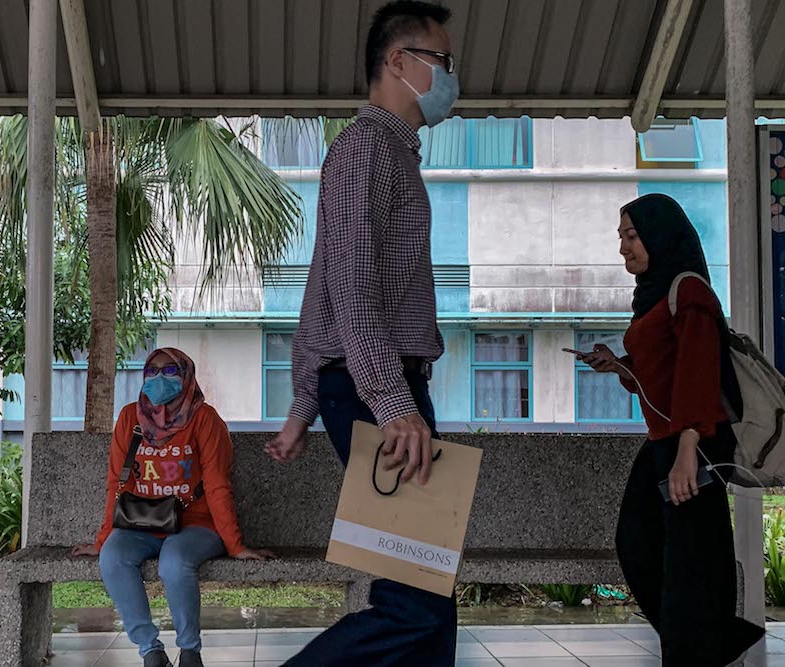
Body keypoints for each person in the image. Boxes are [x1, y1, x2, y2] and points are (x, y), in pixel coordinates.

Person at [264, 1, 459, 664]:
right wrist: (391, 399)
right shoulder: (362, 149)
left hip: (384, 390)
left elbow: (323, 282)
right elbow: (348, 288)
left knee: (431, 597)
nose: (451, 76)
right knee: (415, 603)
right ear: (400, 62)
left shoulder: (394, 153)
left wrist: (304, 401)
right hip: (381, 392)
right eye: (443, 61)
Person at [580, 194, 764, 666]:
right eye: (620, 237)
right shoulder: (655, 293)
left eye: (632, 235)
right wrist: (619, 366)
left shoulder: (690, 291)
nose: (623, 248)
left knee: (690, 562)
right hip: (665, 440)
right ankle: (709, 639)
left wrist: (689, 446)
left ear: (660, 234)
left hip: (691, 442)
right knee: (642, 544)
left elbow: (698, 370)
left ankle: (697, 647)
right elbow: (660, 370)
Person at [73, 348, 272, 667]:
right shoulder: (129, 418)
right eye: (152, 372)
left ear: (187, 377)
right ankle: (150, 651)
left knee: (174, 562)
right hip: (143, 521)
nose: (158, 379)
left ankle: (190, 651)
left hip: (197, 525)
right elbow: (117, 483)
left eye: (169, 372)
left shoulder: (205, 420)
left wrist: (235, 546)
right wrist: (101, 541)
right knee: (113, 557)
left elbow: (218, 485)